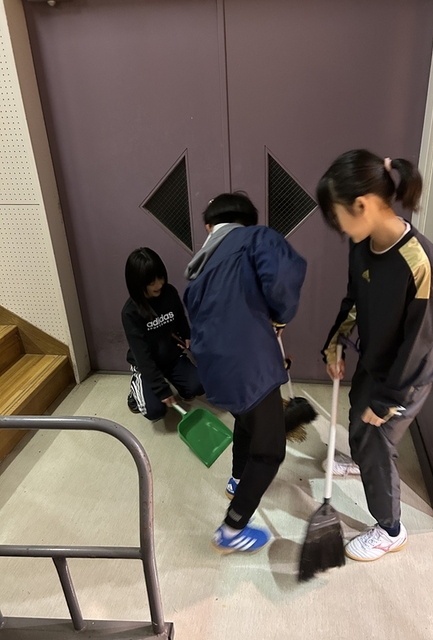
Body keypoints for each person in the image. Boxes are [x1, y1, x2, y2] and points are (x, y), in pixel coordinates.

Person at [317, 149, 433, 562]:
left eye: (337, 215)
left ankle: (391, 529)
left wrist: (389, 399)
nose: (338, 226)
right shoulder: (362, 245)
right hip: (375, 361)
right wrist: (335, 343)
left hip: (407, 376)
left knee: (375, 438)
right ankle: (359, 460)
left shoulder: (422, 262)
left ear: (362, 205)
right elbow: (354, 300)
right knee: (358, 413)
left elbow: (421, 338)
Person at [183, 192, 306, 554]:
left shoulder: (200, 269)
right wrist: (279, 316)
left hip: (215, 371)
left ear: (210, 227)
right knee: (270, 450)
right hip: (249, 365)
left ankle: (238, 478)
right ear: (246, 222)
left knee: (246, 420)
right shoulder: (255, 237)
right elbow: (285, 275)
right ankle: (232, 529)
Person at [121, 247, 203, 421]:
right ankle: (136, 391)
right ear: (138, 284)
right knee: (155, 411)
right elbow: (142, 357)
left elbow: (180, 318)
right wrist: (161, 390)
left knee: (198, 386)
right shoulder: (130, 312)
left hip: (172, 358)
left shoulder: (169, 292)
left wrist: (187, 335)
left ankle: (180, 384)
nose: (159, 285)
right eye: (152, 282)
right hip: (146, 365)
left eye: (161, 278)